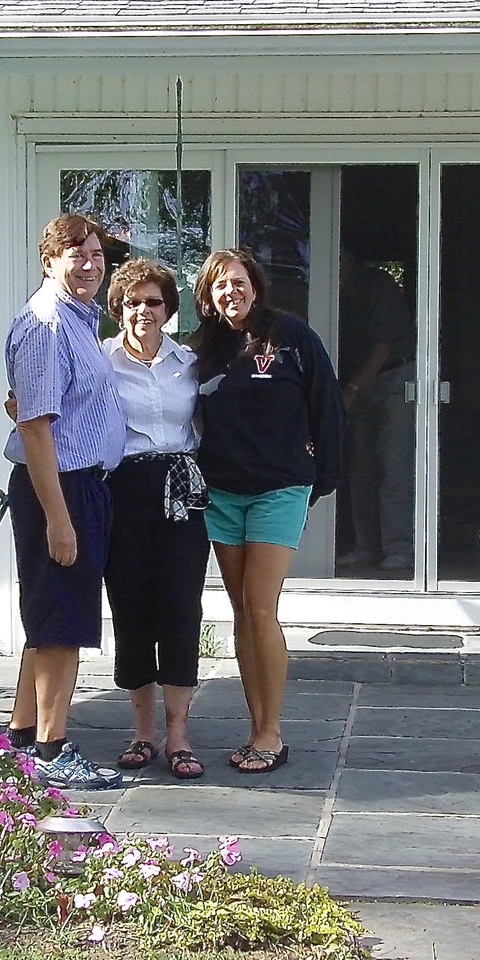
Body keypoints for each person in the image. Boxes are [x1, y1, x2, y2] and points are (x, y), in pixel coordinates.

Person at [190, 248, 343, 774]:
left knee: (260, 608)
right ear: (207, 298)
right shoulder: (203, 351)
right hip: (221, 494)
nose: (230, 292)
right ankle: (254, 725)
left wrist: (323, 476)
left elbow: (327, 403)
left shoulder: (290, 336)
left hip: (279, 490)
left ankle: (271, 733)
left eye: (238, 282)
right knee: (240, 614)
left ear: (255, 286)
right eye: (219, 286)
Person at [0, 213, 128, 790]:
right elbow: (35, 427)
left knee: (52, 614)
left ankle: (22, 737)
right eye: (78, 254)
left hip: (81, 484)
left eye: (98, 254)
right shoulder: (48, 324)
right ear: (49, 261)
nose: (92, 263)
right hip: (60, 488)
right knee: (61, 623)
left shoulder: (78, 320)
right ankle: (53, 751)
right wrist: (59, 517)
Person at [100, 258, 210, 780]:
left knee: (181, 607)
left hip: (181, 491)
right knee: (131, 608)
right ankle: (143, 732)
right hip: (124, 487)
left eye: (155, 302)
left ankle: (179, 735)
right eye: (133, 302)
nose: (144, 311)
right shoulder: (101, 362)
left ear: (169, 309)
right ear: (118, 308)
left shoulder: (188, 362)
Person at [336, 249, 416, 574]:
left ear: (350, 260)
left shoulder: (376, 285)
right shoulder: (324, 289)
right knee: (360, 467)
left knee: (394, 466)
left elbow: (383, 346)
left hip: (395, 379)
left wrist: (352, 391)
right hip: (356, 383)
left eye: (339, 261)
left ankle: (402, 550)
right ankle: (366, 547)